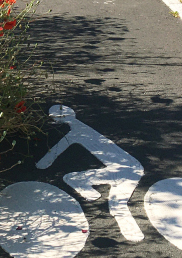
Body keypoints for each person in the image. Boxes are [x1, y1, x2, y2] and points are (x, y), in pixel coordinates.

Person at [36, 104, 144, 242]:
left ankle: (90, 193)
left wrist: (43, 162)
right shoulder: (84, 129)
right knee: (118, 204)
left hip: (122, 169)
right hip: (134, 168)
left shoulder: (77, 130)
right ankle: (133, 233)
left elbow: (59, 147)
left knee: (71, 178)